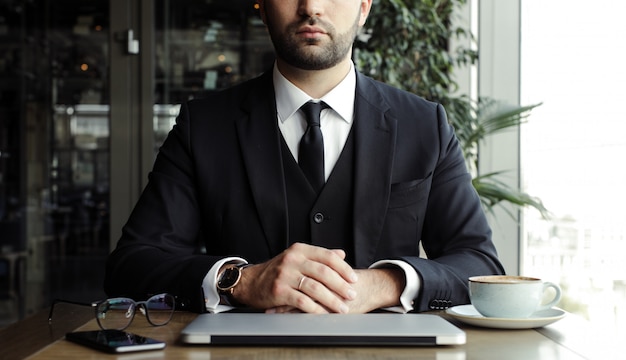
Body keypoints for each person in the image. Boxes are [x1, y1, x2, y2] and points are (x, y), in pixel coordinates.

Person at [104, 0, 504, 314]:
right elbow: (131, 266)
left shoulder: (424, 125)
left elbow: (480, 265)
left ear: (364, 7)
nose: (311, 6)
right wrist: (241, 282)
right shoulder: (203, 126)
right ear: (260, 5)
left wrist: (383, 285)